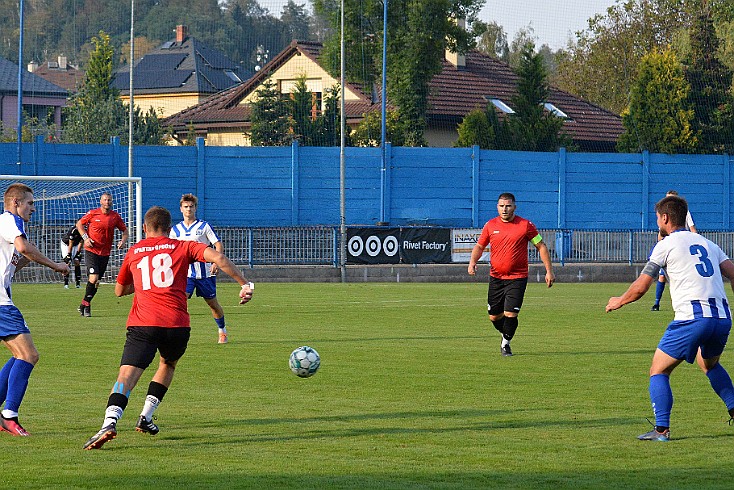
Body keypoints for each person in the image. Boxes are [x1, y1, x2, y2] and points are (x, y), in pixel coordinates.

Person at [83, 206, 253, 450]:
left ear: (145, 228)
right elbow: (219, 257)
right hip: (176, 324)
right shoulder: (182, 246)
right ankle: (146, 416)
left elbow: (119, 291)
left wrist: (142, 286)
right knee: (167, 364)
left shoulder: (134, 251)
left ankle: (109, 423)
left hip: (143, 323)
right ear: (170, 229)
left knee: (127, 375)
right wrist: (245, 283)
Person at [606, 195, 734, 442]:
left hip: (692, 318)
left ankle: (661, 430)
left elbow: (642, 285)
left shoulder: (665, 244)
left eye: (657, 218)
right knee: (709, 364)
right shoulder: (708, 243)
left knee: (658, 371)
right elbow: (732, 272)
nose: (657, 222)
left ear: (665, 218)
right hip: (721, 317)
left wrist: (619, 300)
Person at [0, 183, 69, 436]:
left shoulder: (5, 224)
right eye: (30, 203)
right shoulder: (10, 222)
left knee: (20, 354)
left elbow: (16, 260)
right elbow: (23, 249)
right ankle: (9, 415)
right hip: (1, 304)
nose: (34, 208)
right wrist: (55, 266)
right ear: (16, 203)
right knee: (29, 356)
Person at [467, 192, 555, 356]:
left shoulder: (525, 225)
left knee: (510, 314)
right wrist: (472, 262)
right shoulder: (490, 225)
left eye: (508, 206)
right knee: (494, 316)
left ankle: (505, 343)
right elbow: (480, 246)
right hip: (496, 277)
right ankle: (505, 333)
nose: (505, 209)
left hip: (517, 277)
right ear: (497, 207)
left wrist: (549, 271)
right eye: (501, 206)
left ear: (514, 207)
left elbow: (541, 246)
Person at [170, 194, 230, 344]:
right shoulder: (175, 230)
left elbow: (218, 244)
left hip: (205, 273)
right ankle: (177, 333)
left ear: (195, 208)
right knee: (180, 301)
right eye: (186, 207)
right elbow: (171, 249)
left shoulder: (204, 226)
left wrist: (216, 261)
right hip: (186, 274)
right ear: (181, 209)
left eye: (191, 206)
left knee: (212, 304)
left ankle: (222, 331)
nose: (188, 209)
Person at [76, 192, 129, 317]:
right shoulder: (93, 213)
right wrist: (86, 238)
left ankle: (84, 303)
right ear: (101, 201)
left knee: (96, 281)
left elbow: (125, 230)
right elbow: (79, 224)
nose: (107, 202)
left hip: (105, 253)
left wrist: (123, 241)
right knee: (93, 278)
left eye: (109, 200)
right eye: (105, 200)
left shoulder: (115, 216)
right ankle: (87, 306)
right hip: (92, 250)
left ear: (112, 202)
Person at [651, 190, 697, 311]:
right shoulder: (664, 215)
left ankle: (689, 302)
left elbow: (693, 229)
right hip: (670, 249)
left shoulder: (684, 214)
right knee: (662, 277)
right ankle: (656, 303)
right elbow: (661, 234)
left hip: (681, 248)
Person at [60, 224, 83, 289]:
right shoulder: (73, 230)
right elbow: (70, 243)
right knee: (68, 262)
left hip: (76, 245)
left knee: (77, 261)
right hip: (66, 245)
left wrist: (78, 253)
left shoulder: (85, 231)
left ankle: (78, 284)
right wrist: (69, 255)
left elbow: (81, 242)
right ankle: (66, 284)